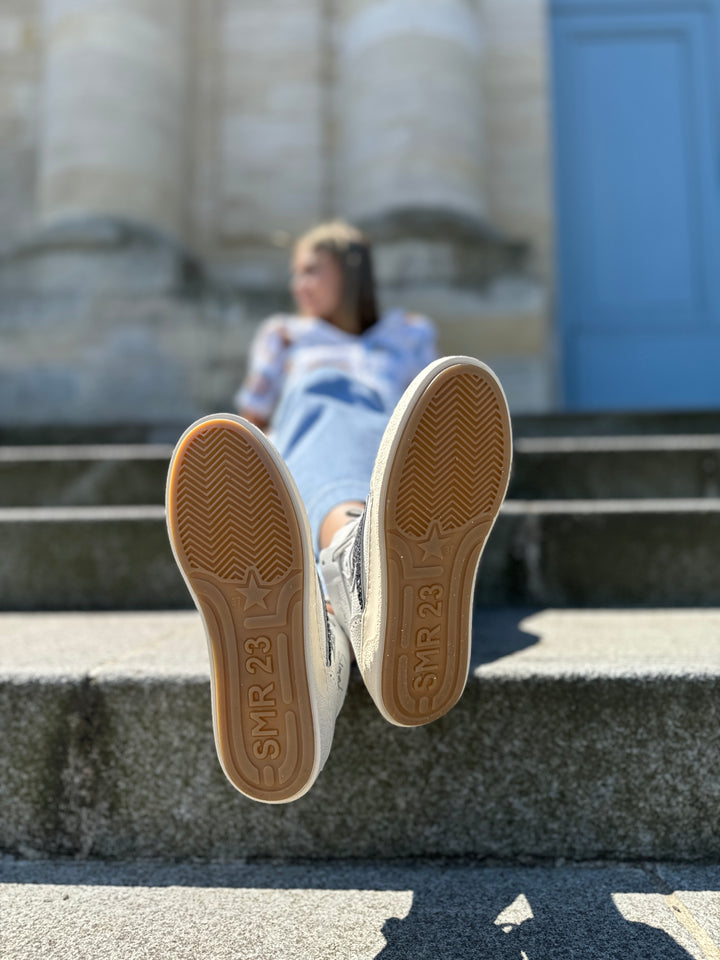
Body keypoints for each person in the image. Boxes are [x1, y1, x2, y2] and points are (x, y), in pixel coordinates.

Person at [165, 220, 512, 805]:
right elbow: (251, 421)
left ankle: (324, 637)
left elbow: (434, 431)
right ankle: (355, 561)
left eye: (310, 269)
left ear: (348, 272)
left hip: (385, 459)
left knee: (355, 404)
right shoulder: (283, 334)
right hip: (304, 461)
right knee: (321, 394)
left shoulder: (407, 333)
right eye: (295, 272)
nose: (298, 284)